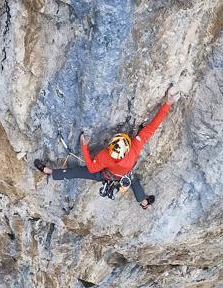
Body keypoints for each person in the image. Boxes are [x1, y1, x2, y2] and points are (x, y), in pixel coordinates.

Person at [35, 88, 177, 209]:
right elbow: (152, 127)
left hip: (105, 173)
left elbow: (91, 168)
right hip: (123, 174)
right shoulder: (134, 148)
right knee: (134, 183)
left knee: (77, 171)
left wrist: (84, 146)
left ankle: (49, 171)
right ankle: (144, 203)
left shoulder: (106, 156)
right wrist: (167, 104)